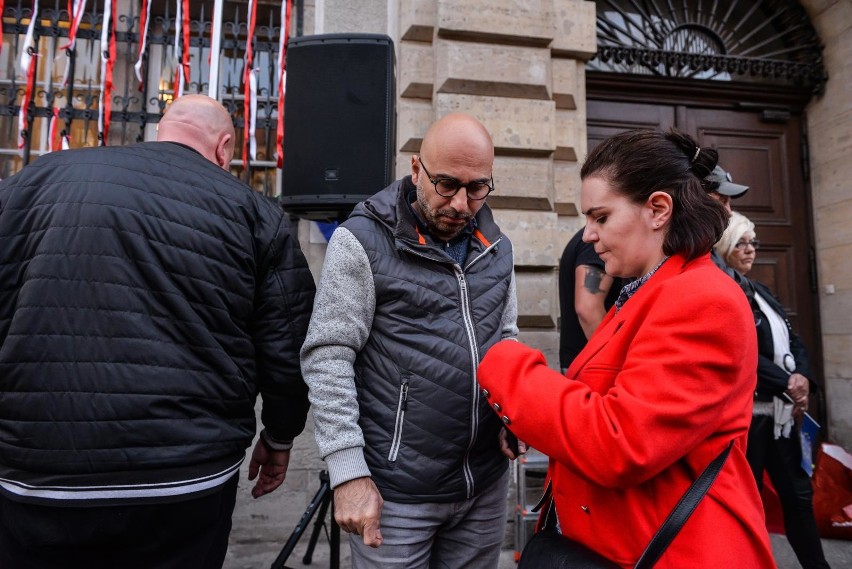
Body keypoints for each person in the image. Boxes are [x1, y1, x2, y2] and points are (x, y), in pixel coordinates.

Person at [0, 94, 316, 569]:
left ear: (161, 128)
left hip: (36, 474)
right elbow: (289, 345)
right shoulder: (251, 211)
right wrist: (280, 435)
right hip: (183, 480)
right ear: (224, 147)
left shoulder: (29, 184)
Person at [477, 128, 777, 568]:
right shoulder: (644, 292)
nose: (588, 235)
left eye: (600, 217)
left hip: (673, 551)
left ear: (657, 209)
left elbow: (619, 442)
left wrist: (504, 362)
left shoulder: (702, 298)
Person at [300, 113, 519, 568]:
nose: (461, 203)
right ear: (416, 170)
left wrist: (516, 414)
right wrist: (348, 474)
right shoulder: (359, 241)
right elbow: (328, 356)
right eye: (446, 184)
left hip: (483, 487)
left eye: (477, 188)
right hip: (395, 497)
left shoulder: (497, 246)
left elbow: (506, 342)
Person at [716, 212, 832, 569]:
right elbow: (741, 354)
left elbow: (793, 339)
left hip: (781, 415)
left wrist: (803, 378)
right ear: (723, 247)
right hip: (748, 419)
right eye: (742, 243)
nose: (750, 250)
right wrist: (787, 382)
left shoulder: (759, 289)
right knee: (743, 505)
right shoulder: (724, 291)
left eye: (753, 243)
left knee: (798, 497)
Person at [558, 227, 626, 371]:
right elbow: (588, 308)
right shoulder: (595, 244)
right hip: (592, 367)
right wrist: (614, 363)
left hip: (585, 363)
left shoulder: (591, 240)